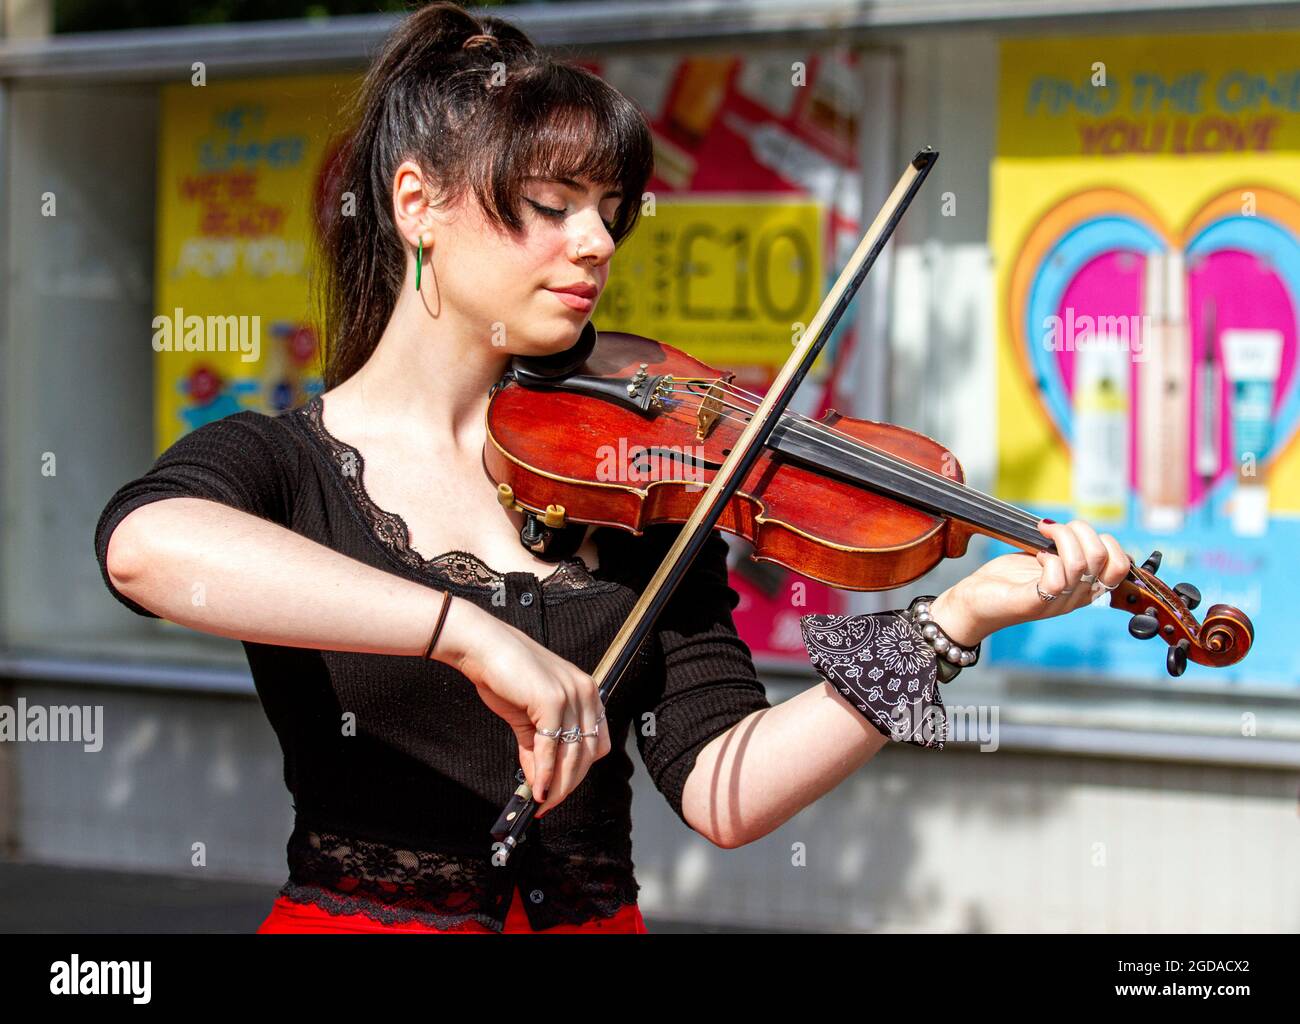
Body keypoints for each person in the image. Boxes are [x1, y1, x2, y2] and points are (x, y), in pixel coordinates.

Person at [93, 2, 1128, 934]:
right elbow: (146, 550)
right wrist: (467, 637)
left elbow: (726, 789)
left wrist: (949, 626)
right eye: (551, 203)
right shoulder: (285, 462)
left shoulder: (638, 483)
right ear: (416, 204)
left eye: (610, 208)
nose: (595, 241)